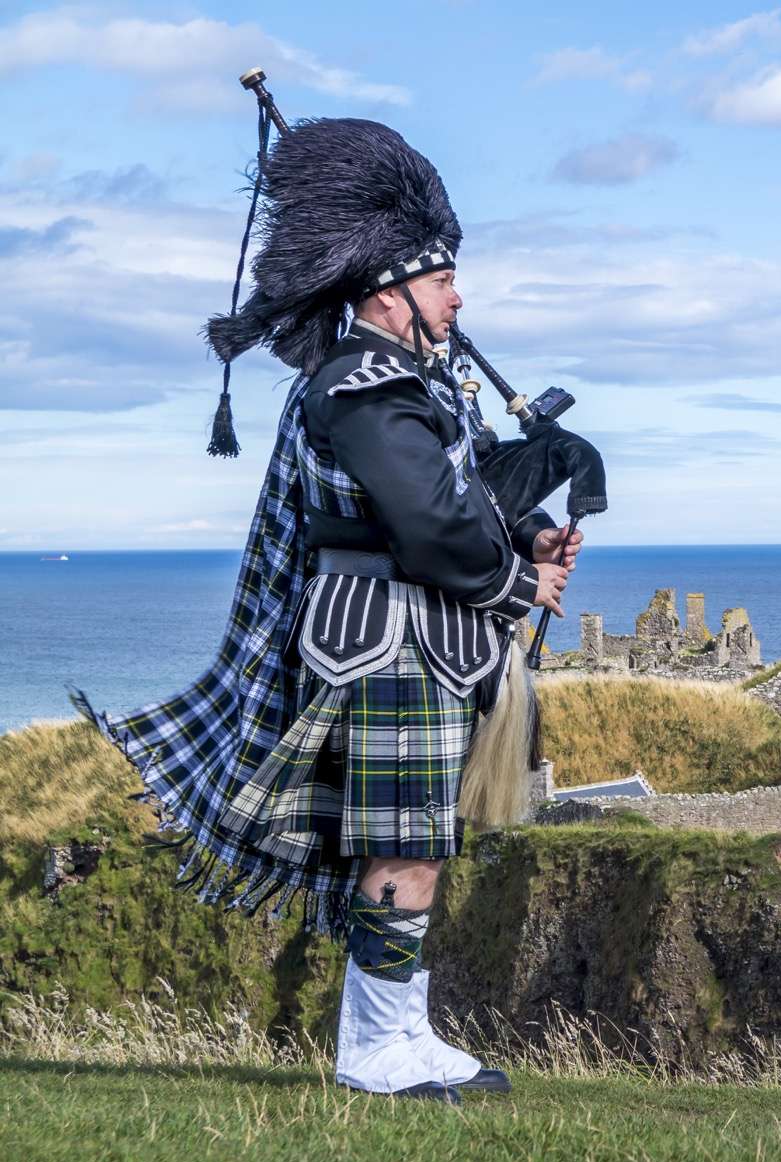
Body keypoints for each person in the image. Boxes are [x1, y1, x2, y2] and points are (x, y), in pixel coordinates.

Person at [75, 117, 579, 1104]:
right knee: (402, 843)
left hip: (413, 636)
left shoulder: (395, 386)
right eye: (442, 280)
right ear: (388, 288)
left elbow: (441, 511)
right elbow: (429, 530)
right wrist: (521, 584)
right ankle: (374, 1049)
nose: (458, 296)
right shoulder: (364, 388)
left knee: (417, 841)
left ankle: (402, 1033)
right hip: (388, 643)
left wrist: (521, 539)